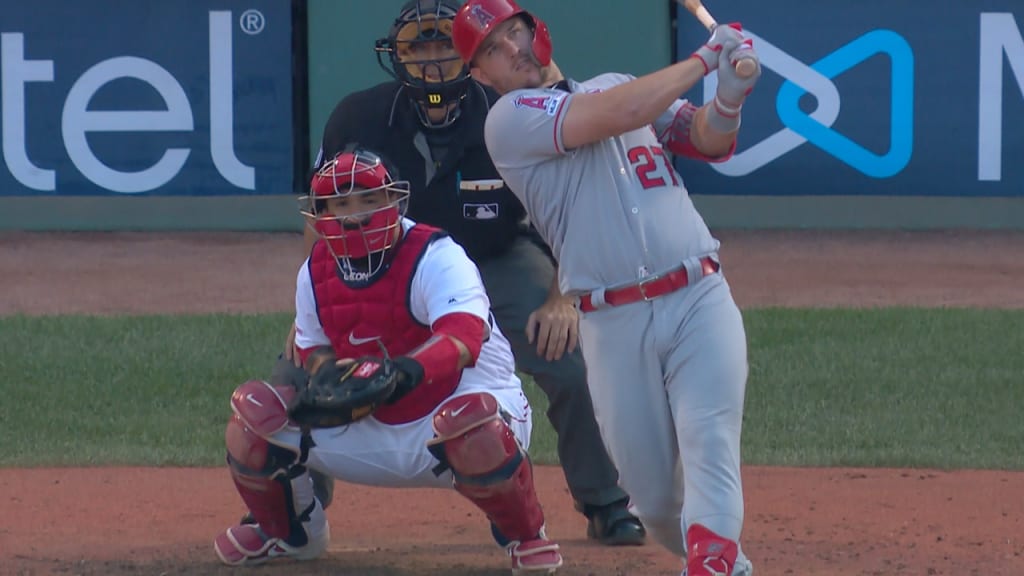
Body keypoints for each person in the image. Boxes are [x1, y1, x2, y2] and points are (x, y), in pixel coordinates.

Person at [287, 0, 645, 545]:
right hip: (391, 266)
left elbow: (577, 209)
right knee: (306, 375)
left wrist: (562, 297)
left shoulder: (515, 113)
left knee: (570, 364)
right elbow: (323, 217)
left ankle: (605, 500)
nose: (431, 61)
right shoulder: (356, 117)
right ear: (395, 55)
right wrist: (313, 310)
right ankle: (294, 512)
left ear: (472, 57)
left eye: (444, 46)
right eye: (418, 47)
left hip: (497, 255)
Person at [450, 1, 762, 575]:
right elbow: (614, 114)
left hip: (698, 295)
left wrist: (730, 96)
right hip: (612, 322)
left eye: (513, 31)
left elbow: (706, 139)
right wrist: (703, 58)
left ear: (536, 28)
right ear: (480, 75)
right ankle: (723, 561)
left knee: (707, 438)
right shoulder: (510, 121)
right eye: (492, 47)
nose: (512, 48)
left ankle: (715, 561)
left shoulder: (619, 85)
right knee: (659, 507)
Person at [213, 149, 563, 573]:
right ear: (320, 213)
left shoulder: (437, 255)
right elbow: (312, 344)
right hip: (374, 422)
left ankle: (525, 535)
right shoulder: (315, 271)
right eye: (341, 204)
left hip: (456, 413)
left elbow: (463, 337)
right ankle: (292, 535)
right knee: (253, 416)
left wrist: (400, 373)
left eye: (368, 200)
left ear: (393, 202)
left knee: (473, 427)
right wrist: (330, 379)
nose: (355, 216)